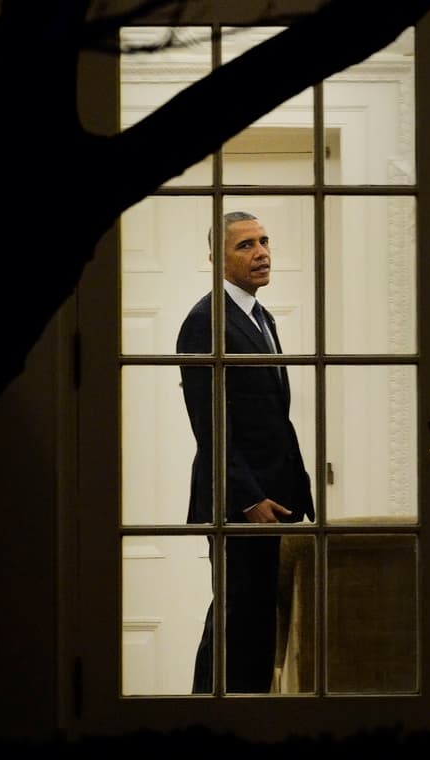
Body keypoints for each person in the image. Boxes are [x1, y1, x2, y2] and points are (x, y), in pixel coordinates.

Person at [177, 211, 315, 694]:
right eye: (245, 246)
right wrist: (249, 498)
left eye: (264, 241)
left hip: (275, 501)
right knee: (237, 626)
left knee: (254, 626)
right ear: (217, 258)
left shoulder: (260, 315)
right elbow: (210, 426)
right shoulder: (205, 323)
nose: (261, 253)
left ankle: (249, 716)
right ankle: (210, 717)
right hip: (242, 506)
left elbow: (272, 415)